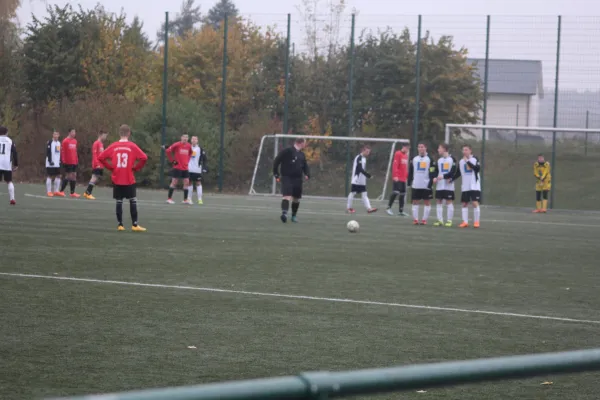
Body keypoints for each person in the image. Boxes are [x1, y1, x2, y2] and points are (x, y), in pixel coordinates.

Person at [97, 124, 148, 231]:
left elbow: (101, 157)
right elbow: (144, 158)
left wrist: (111, 168)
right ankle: (135, 225)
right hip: (129, 177)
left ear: (119, 134)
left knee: (119, 201)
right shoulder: (132, 146)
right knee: (132, 200)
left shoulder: (114, 146)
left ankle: (120, 225)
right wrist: (136, 168)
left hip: (117, 177)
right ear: (129, 133)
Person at [272, 137, 310, 223]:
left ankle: (293, 216)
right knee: (287, 195)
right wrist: (276, 174)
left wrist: (307, 174)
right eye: (305, 143)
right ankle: (284, 214)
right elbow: (277, 161)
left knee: (296, 199)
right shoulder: (287, 151)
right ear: (301, 143)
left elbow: (305, 165)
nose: (305, 144)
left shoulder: (302, 154)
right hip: (287, 177)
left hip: (298, 179)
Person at [408, 143, 437, 225]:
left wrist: (431, 182)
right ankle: (416, 219)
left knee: (427, 202)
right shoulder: (414, 159)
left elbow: (432, 171)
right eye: (419, 147)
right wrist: (409, 182)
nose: (421, 149)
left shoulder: (429, 159)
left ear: (425, 148)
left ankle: (424, 220)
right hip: (416, 184)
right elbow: (411, 171)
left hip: (426, 185)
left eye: (422, 147)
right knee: (415, 202)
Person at [454, 144, 481, 228]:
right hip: (465, 186)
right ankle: (465, 222)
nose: (464, 151)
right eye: (463, 150)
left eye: (466, 150)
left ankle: (476, 222)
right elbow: (458, 173)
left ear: (470, 151)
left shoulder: (475, 159)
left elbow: (477, 169)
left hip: (474, 185)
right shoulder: (461, 161)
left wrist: (467, 161)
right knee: (464, 203)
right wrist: (451, 179)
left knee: (474, 202)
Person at [346, 145, 377, 214]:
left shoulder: (364, 159)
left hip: (362, 181)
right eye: (367, 151)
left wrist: (365, 177)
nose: (368, 153)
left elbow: (362, 169)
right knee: (353, 193)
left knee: (364, 194)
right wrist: (368, 175)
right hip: (356, 179)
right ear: (363, 151)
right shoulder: (358, 158)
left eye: (369, 152)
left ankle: (369, 208)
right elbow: (359, 169)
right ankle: (349, 208)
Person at [433, 143, 457, 227]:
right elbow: (436, 171)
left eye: (439, 148)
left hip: (448, 185)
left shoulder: (452, 159)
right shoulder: (439, 160)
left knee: (448, 201)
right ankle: (440, 220)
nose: (438, 150)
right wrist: (435, 177)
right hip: (440, 185)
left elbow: (453, 172)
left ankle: (449, 220)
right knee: (438, 201)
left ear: (444, 149)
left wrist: (443, 176)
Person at [165, 133, 192, 204]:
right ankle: (169, 199)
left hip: (185, 168)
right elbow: (168, 151)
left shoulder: (189, 146)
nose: (185, 138)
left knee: (186, 182)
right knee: (174, 182)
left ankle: (185, 200)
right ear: (181, 137)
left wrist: (187, 161)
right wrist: (172, 161)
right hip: (177, 167)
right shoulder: (177, 144)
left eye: (186, 137)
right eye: (184, 137)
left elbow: (190, 154)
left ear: (188, 138)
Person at [84, 130, 108, 200]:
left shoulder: (101, 144)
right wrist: (97, 164)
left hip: (101, 164)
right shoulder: (96, 143)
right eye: (105, 135)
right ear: (100, 135)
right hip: (97, 164)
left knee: (96, 178)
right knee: (94, 177)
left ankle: (87, 192)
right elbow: (94, 155)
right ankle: (88, 193)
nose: (105, 137)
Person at [386, 143, 409, 216]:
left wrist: (406, 176)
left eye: (409, 148)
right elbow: (395, 165)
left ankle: (401, 211)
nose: (408, 150)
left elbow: (405, 168)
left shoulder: (406, 156)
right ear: (404, 147)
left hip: (403, 178)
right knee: (395, 192)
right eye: (407, 148)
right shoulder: (398, 153)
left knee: (402, 194)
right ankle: (388, 208)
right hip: (398, 177)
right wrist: (395, 175)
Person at [57, 128, 80, 198]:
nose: (74, 133)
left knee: (74, 176)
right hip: (68, 161)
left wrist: (76, 159)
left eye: (75, 132)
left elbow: (75, 152)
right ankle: (61, 191)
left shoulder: (75, 141)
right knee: (68, 176)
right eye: (73, 132)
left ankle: (72, 193)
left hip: (74, 161)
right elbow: (63, 152)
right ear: (69, 132)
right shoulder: (65, 141)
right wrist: (63, 160)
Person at [187, 136, 208, 205]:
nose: (194, 140)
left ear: (197, 141)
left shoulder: (200, 149)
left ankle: (200, 199)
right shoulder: (187, 147)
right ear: (191, 140)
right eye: (192, 139)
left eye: (195, 139)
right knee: (189, 183)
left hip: (197, 169)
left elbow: (205, 159)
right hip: (189, 169)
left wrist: (204, 167)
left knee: (198, 183)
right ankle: (189, 199)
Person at [0, 126, 17, 205]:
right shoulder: (10, 141)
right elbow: (14, 153)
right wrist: (16, 164)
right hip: (7, 164)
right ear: (6, 132)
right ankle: (12, 199)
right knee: (9, 181)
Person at [45, 131, 62, 197]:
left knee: (58, 176)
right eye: (55, 134)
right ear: (53, 135)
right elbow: (48, 152)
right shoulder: (50, 142)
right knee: (50, 176)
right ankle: (49, 191)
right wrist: (50, 160)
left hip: (57, 163)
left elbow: (58, 153)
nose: (56, 135)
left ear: (59, 135)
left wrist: (59, 160)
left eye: (57, 134)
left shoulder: (59, 143)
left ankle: (56, 191)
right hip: (50, 163)